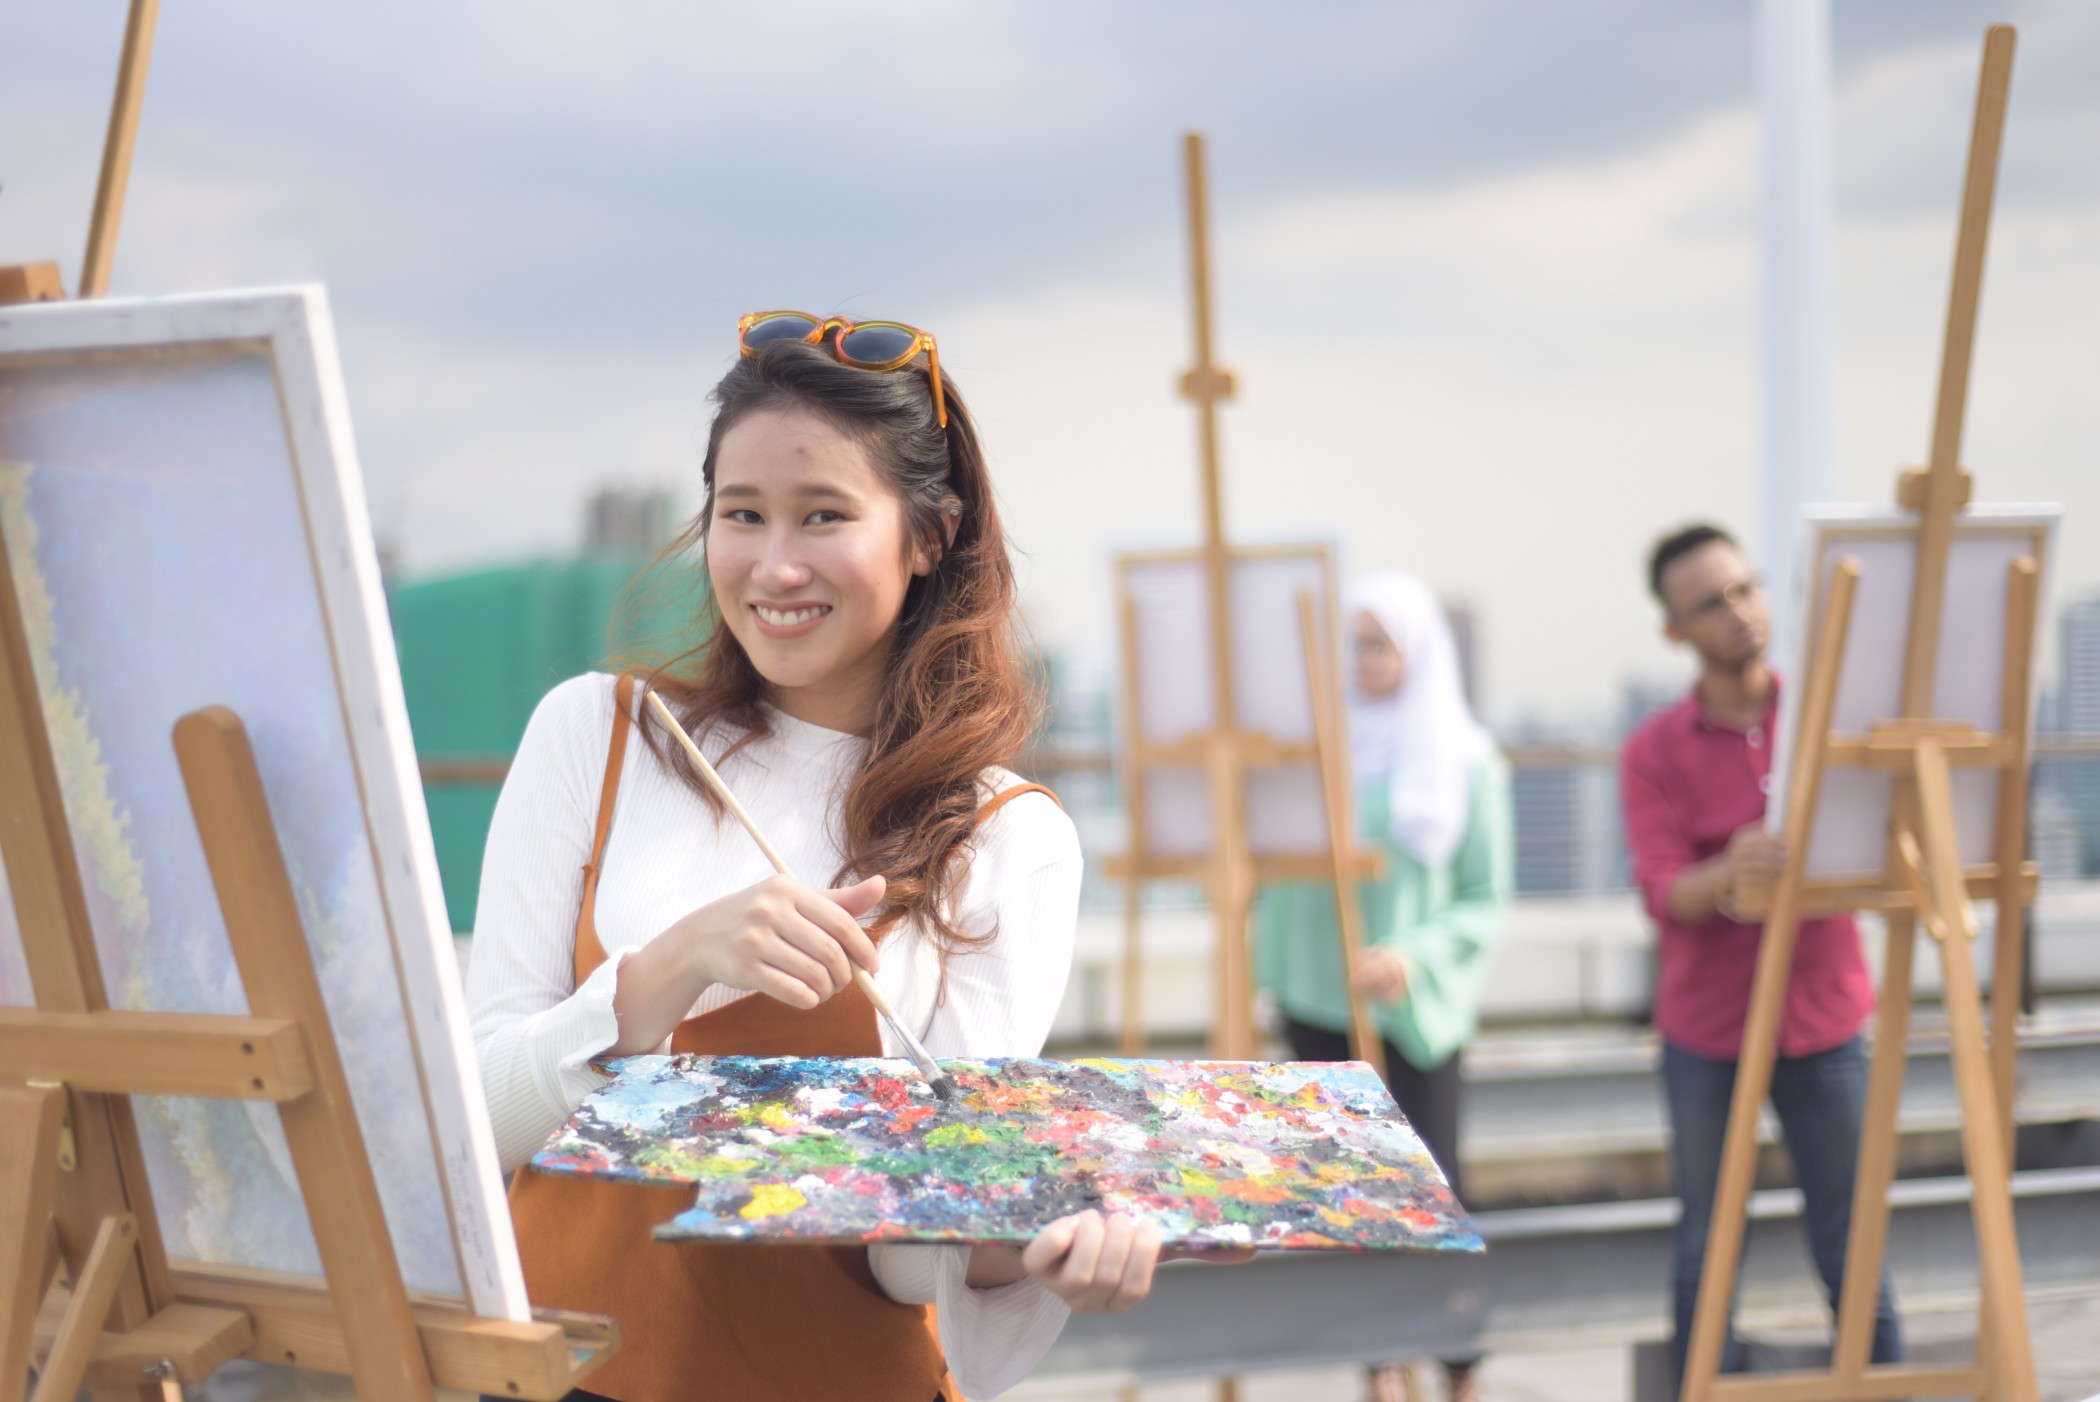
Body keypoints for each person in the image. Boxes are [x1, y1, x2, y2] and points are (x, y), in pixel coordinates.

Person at [467, 315, 1223, 1402]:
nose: (776, 565)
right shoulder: (600, 733)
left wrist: (1039, 1242)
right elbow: (472, 1123)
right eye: (743, 515)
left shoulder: (1003, 832)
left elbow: (908, 1253)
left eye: (825, 516)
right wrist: (668, 968)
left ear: (929, 535)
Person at [1620, 523, 1905, 1390]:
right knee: (1707, 1236)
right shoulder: (1653, 751)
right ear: (1675, 631)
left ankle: (1880, 1380)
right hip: (1710, 1031)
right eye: (1711, 603)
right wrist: (1728, 870)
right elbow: (1663, 891)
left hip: (1825, 1017)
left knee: (1854, 1237)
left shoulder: (1833, 723)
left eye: (1746, 589)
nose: (1740, 613)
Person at [1253, 571, 1513, 1402]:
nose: (1362, 660)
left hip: (1411, 1008)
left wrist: (1413, 955)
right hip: (1317, 999)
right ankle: (1381, 1372)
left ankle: (1458, 1368)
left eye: (1379, 643)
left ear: (1417, 650)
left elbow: (1484, 896)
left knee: (1438, 1188)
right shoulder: (1314, 751)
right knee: (1352, 1190)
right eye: (1353, 643)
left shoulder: (1467, 761)